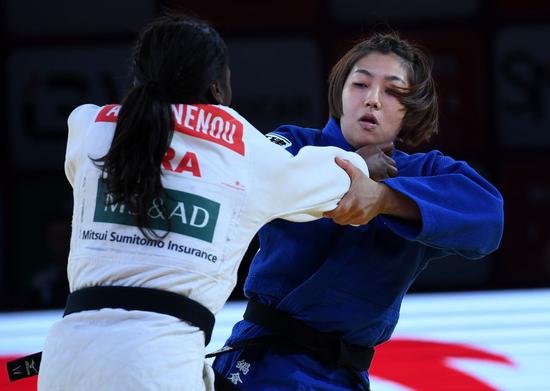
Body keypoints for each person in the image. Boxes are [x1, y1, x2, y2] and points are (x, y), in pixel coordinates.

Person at [35, 15, 387, 391]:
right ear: (219, 88)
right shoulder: (242, 149)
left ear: (138, 79)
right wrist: (366, 163)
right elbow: (331, 176)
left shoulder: (90, 126)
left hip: (63, 364)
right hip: (155, 368)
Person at [212, 33, 504, 390]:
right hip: (261, 361)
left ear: (411, 109)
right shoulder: (295, 144)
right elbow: (253, 180)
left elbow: (489, 218)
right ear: (340, 93)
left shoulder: (422, 172)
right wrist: (349, 169)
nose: (373, 99)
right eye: (360, 84)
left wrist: (383, 198)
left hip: (344, 376)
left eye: (394, 91)